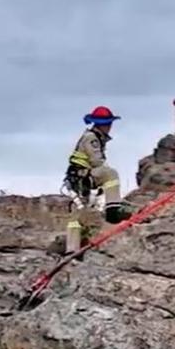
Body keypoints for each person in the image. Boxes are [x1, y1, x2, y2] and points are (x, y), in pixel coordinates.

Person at [64, 106, 132, 254]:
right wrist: (103, 179)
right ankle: (113, 211)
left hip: (79, 179)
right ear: (102, 124)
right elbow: (96, 161)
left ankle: (72, 249)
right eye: (108, 124)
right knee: (111, 174)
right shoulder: (92, 138)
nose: (110, 127)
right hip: (82, 176)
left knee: (78, 214)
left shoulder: (95, 137)